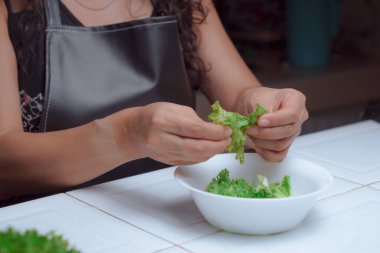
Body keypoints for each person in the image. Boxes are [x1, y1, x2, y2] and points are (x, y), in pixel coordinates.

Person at [0, 0, 308, 205]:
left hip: (166, 218)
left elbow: (241, 96)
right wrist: (125, 136)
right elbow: (4, 162)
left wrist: (264, 108)